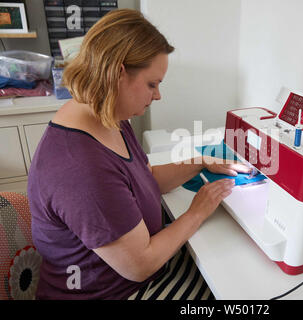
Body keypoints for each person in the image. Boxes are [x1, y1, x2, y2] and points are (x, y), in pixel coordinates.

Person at [28, 9, 249, 300]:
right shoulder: (81, 168)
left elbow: (145, 179)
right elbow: (140, 264)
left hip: (130, 274)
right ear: (118, 73)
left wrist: (200, 163)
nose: (157, 96)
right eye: (152, 84)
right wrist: (197, 212)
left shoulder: (106, 117)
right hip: (111, 292)